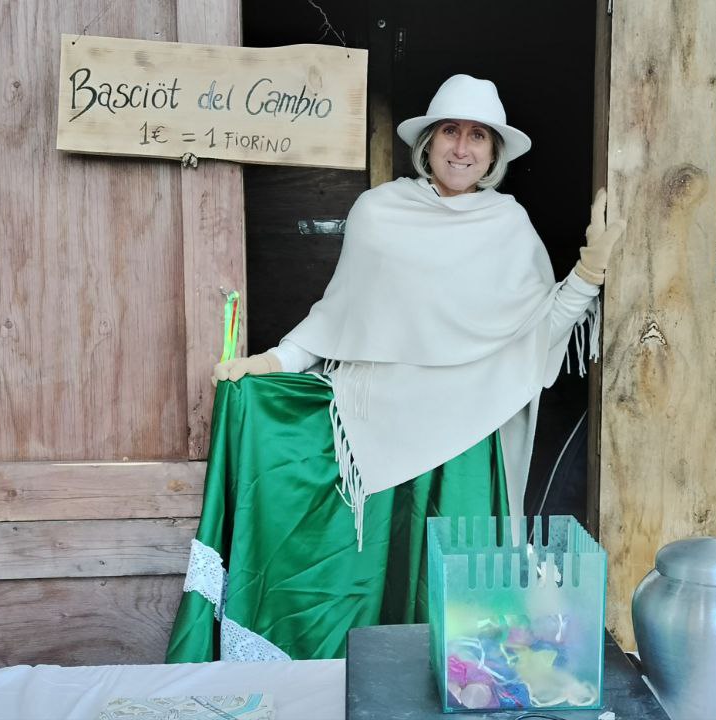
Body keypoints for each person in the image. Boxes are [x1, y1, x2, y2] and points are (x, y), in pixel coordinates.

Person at [167, 74, 625, 664]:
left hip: (465, 440)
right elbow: (337, 314)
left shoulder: (510, 226)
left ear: (494, 154)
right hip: (376, 432)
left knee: (453, 595)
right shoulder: (378, 211)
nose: (462, 148)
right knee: (365, 581)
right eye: (451, 131)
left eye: (478, 136)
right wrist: (272, 362)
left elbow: (542, 333)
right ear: (428, 143)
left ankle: (459, 688)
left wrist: (588, 273)